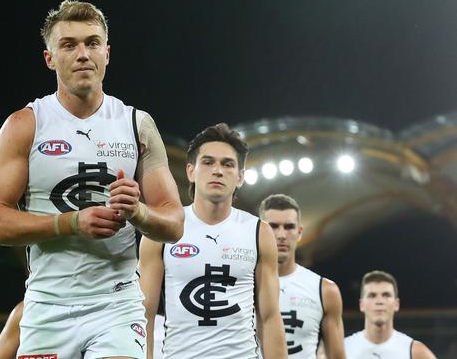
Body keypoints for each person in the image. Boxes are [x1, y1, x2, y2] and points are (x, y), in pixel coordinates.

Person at [0, 0, 184, 359]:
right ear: (50, 58)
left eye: (92, 43)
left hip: (117, 304)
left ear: (107, 53)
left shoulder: (138, 125)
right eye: (69, 45)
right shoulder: (24, 125)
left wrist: (138, 213)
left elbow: (175, 222)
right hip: (48, 305)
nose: (83, 54)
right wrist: (72, 222)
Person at [140, 123, 287, 359]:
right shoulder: (163, 230)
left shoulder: (259, 232)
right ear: (191, 171)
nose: (217, 170)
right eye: (208, 162)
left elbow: (269, 318)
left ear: (240, 177)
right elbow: (144, 315)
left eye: (227, 164)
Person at [258, 194, 345, 359]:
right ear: (260, 230)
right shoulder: (241, 284)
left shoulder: (325, 291)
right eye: (273, 226)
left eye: (289, 227)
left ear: (299, 232)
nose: (281, 235)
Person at [344, 270, 437, 359]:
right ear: (361, 305)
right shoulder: (344, 349)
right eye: (372, 295)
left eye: (386, 295)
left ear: (396, 304)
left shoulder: (414, 351)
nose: (379, 301)